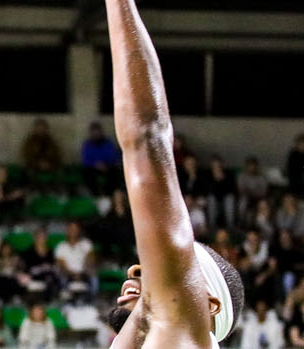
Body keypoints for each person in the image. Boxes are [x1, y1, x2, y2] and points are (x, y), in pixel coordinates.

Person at [102, 2, 246, 346]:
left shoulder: (183, 338)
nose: (136, 269)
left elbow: (147, 136)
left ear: (207, 307)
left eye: (169, 263)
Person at [54, 221, 96, 299]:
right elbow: (61, 264)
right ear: (67, 230)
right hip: (67, 274)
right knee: (60, 276)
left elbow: (91, 259)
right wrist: (73, 274)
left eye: (75, 229)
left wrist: (82, 272)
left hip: (84, 272)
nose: (73, 231)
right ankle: (65, 299)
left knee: (93, 277)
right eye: (71, 229)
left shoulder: (86, 244)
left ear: (79, 230)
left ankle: (91, 299)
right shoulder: (61, 246)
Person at [80, 122, 121, 195]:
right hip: (93, 167)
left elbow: (114, 156)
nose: (96, 135)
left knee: (114, 173)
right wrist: (95, 164)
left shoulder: (108, 143)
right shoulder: (87, 144)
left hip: (107, 166)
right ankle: (95, 195)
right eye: (94, 133)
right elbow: (85, 159)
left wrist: (106, 164)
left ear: (101, 132)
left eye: (98, 132)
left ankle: (109, 195)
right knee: (87, 173)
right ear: (91, 133)